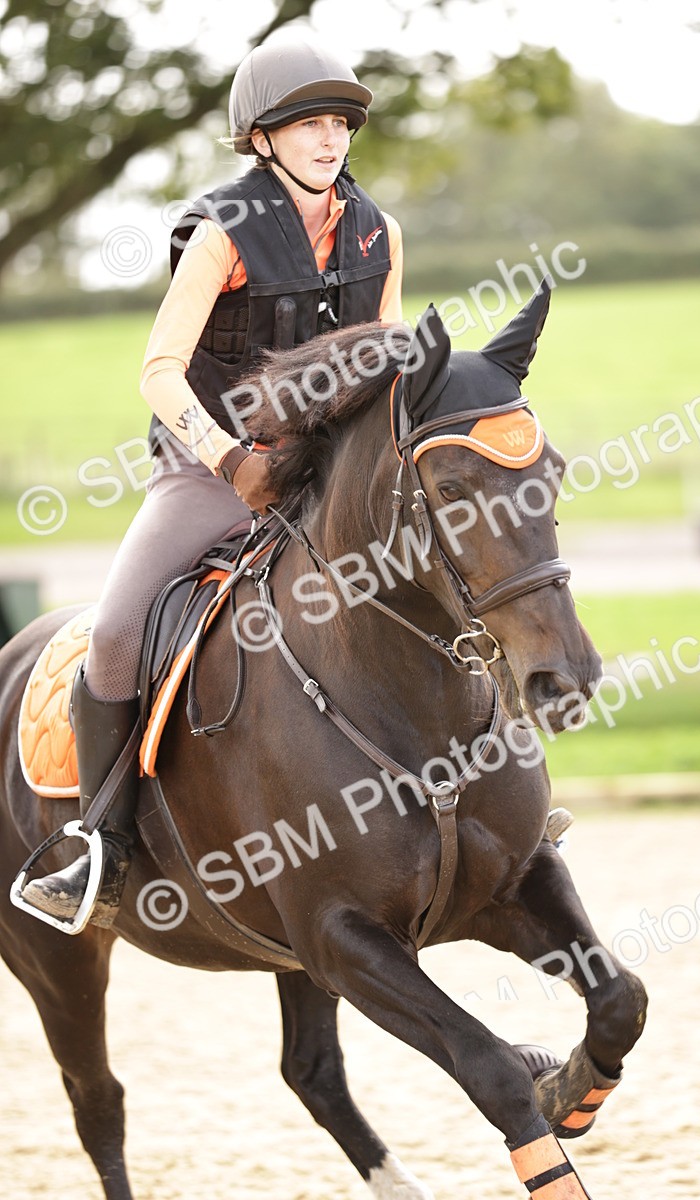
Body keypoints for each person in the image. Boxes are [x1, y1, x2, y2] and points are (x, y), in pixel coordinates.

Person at [21, 29, 404, 929]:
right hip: (210, 470)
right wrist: (232, 457)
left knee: (451, 574)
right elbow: (159, 370)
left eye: (340, 122)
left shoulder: (379, 230)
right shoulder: (223, 230)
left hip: (326, 475)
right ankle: (97, 849)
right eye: (306, 123)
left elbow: (386, 359)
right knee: (116, 632)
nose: (330, 138)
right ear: (261, 138)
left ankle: (493, 795)